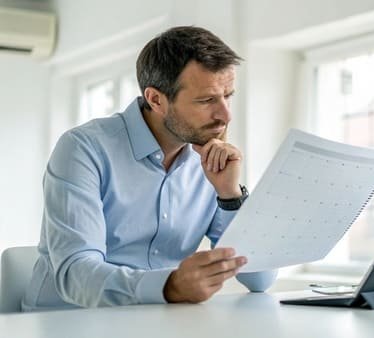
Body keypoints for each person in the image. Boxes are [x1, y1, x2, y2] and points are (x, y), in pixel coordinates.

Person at [22, 26, 277, 311]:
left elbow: (261, 278)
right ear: (156, 99)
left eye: (228, 96)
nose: (225, 115)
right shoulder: (83, 149)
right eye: (207, 100)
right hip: (66, 324)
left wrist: (230, 195)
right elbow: (76, 275)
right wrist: (170, 286)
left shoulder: (211, 161)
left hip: (155, 322)